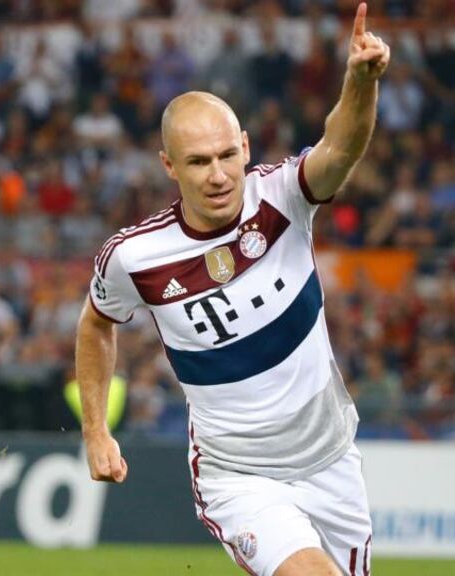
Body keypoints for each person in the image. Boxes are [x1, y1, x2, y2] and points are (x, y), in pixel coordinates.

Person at [75, 4, 389, 576]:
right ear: (169, 165)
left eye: (226, 156)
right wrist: (96, 432)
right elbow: (97, 323)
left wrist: (359, 82)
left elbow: (340, 147)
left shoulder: (283, 198)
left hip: (332, 457)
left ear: (245, 146)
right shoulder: (133, 257)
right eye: (198, 162)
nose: (218, 175)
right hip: (239, 476)